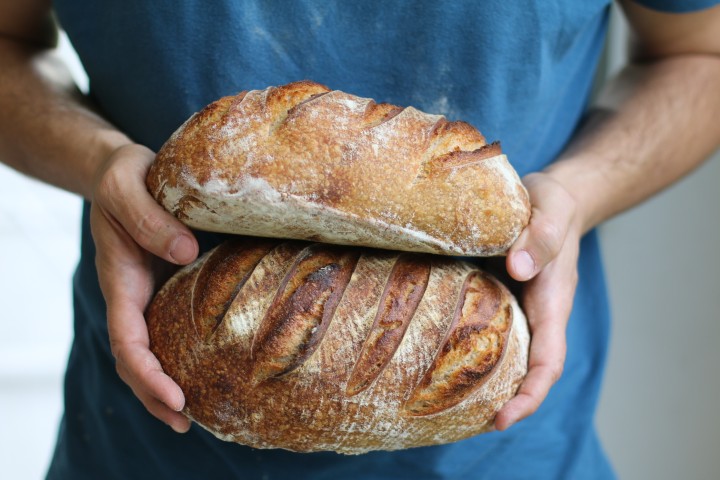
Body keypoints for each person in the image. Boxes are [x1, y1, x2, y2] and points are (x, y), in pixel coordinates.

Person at [1, 1, 719, 478]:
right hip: (144, 443)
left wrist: (577, 194)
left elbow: (701, 54)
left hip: (509, 451)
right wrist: (100, 162)